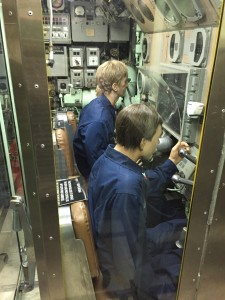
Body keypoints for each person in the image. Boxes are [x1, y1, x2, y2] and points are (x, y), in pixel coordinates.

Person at [88, 103, 189, 299]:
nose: (159, 143)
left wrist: (172, 162)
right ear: (142, 142)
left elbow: (144, 182)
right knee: (182, 266)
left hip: (128, 245)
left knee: (182, 225)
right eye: (157, 139)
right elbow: (124, 256)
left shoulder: (108, 160)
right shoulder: (127, 188)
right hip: (126, 278)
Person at [73, 60, 128, 180]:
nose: (127, 84)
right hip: (95, 175)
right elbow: (98, 163)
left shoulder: (102, 105)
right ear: (115, 86)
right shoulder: (99, 120)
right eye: (125, 81)